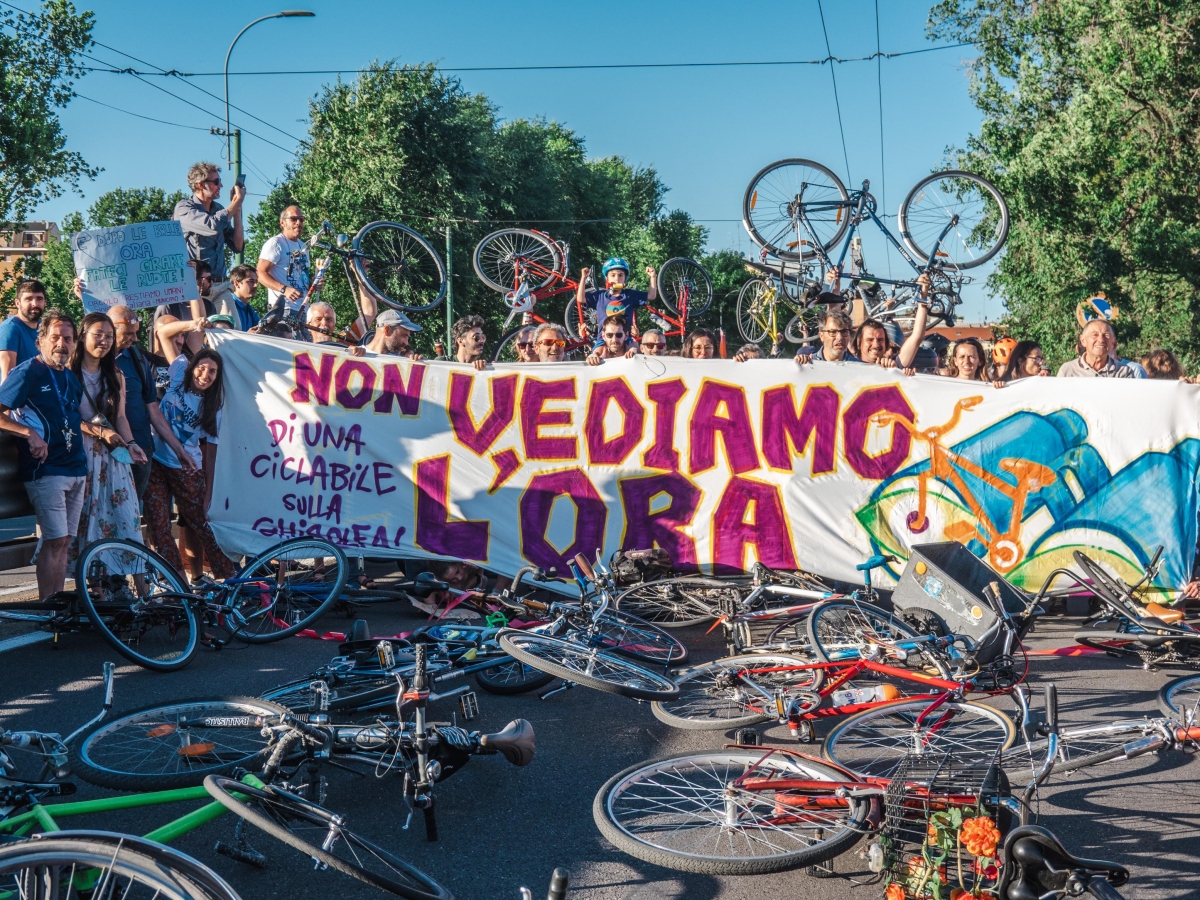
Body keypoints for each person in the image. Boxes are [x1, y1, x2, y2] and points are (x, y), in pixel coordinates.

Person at [0, 310, 87, 599]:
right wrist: (28, 434)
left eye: (68, 339)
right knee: (55, 539)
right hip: (46, 470)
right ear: (41, 341)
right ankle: (48, 604)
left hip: (76, 468)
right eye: (55, 338)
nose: (62, 344)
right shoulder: (27, 371)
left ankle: (57, 605)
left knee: (65, 542)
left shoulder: (70, 377)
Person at [144, 347, 234, 582]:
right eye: (201, 368)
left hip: (186, 468)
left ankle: (229, 578)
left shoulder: (214, 405)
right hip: (155, 463)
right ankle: (177, 582)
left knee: (202, 524)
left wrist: (209, 492)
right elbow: (165, 333)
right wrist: (197, 324)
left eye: (212, 371)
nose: (205, 375)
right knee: (158, 525)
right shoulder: (179, 372)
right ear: (192, 367)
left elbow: (211, 451)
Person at [66, 313, 148, 563]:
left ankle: (129, 584)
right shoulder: (68, 371)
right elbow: (64, 417)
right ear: (82, 336)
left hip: (111, 454)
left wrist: (132, 444)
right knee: (86, 521)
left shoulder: (116, 374)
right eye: (98, 335)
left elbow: (121, 417)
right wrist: (99, 432)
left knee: (125, 517)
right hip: (80, 453)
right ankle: (93, 585)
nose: (104, 341)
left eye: (109, 337)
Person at [107, 305, 173, 504]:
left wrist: (179, 450)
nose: (134, 339)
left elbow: (153, 409)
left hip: (141, 446)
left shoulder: (137, 359)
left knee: (132, 509)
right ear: (110, 329)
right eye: (128, 334)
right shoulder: (92, 359)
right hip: (107, 448)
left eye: (135, 333)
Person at [174, 162, 245, 283]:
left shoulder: (218, 209)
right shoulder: (184, 208)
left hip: (220, 282)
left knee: (230, 303)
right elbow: (212, 226)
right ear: (201, 185)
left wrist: (237, 211)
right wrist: (236, 201)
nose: (221, 185)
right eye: (216, 182)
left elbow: (237, 246)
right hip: (197, 284)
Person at [577, 258, 657, 343]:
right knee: (597, 353)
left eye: (620, 275)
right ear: (606, 278)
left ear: (625, 278)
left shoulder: (630, 295)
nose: (617, 279)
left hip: (625, 340)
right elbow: (581, 299)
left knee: (635, 349)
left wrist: (653, 277)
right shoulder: (600, 295)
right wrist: (583, 278)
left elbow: (651, 296)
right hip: (603, 341)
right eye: (613, 275)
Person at [256, 205, 310, 319]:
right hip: (284, 309)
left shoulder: (303, 246)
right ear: (282, 222)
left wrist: (314, 282)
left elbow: (302, 277)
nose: (298, 223)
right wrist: (284, 290)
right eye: (294, 219)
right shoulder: (276, 243)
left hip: (304, 309)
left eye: (301, 219)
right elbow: (259, 273)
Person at [0, 280, 47, 382]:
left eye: (39, 299)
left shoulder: (44, 328)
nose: (35, 304)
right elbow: (8, 379)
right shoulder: (10, 328)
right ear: (17, 303)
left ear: (45, 302)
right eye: (28, 299)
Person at [1057, 320, 1137, 378]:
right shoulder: (1068, 370)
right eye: (1095, 335)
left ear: (1113, 342)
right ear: (1083, 341)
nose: (1101, 340)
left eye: (1106, 335)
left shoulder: (1123, 372)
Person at [795, 310, 860, 364]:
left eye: (844, 331)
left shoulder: (859, 367)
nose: (839, 337)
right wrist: (795, 364)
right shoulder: (808, 364)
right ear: (821, 336)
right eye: (833, 332)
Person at [210, 265, 261, 332]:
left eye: (256, 281)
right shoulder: (224, 304)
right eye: (251, 281)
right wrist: (248, 335)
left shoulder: (251, 312)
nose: (255, 285)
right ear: (236, 284)